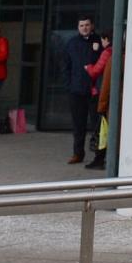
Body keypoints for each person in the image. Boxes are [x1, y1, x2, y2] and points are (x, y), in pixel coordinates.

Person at [53, 16, 103, 165]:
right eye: (82, 25)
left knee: (97, 124)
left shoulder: (99, 41)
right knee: (78, 124)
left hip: (94, 91)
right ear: (78, 27)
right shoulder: (72, 43)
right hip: (76, 90)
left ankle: (98, 155)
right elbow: (65, 66)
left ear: (92, 26)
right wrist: (69, 85)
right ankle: (78, 153)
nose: (85, 28)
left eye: (87, 25)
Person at [83, 32, 113, 173]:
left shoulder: (107, 53)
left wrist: (88, 67)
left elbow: (95, 71)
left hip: (101, 95)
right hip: (111, 96)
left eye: (103, 39)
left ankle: (99, 159)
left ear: (106, 39)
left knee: (101, 129)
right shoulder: (120, 52)